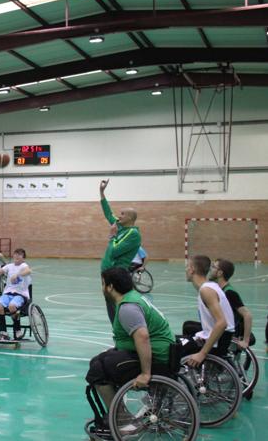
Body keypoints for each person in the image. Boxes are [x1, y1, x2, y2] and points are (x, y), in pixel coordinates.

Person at [85, 267, 175, 439]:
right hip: (162, 351)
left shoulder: (128, 307)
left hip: (158, 357)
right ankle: (119, 412)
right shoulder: (133, 297)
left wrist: (145, 373)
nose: (102, 288)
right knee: (100, 360)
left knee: (97, 371)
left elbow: (142, 337)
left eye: (103, 284)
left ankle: (124, 421)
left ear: (110, 287)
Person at [99, 179, 142, 323]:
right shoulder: (120, 226)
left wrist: (112, 236)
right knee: (110, 307)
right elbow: (108, 213)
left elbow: (114, 252)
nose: (119, 216)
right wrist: (102, 193)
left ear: (130, 218)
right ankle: (118, 335)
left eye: (122, 214)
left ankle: (122, 335)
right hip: (107, 274)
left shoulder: (133, 234)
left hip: (116, 275)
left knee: (116, 309)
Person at [181, 255, 235, 366]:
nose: (185, 270)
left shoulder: (206, 290)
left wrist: (202, 353)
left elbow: (222, 323)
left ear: (192, 269)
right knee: (182, 335)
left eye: (187, 267)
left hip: (219, 341)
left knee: (174, 348)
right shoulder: (210, 286)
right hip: (217, 337)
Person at [0, 248, 31, 340]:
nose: (17, 255)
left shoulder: (24, 266)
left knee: (12, 306)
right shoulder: (9, 266)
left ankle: (17, 330)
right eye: (15, 254)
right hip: (8, 293)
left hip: (20, 295)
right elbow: (0, 271)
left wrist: (17, 275)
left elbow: (28, 271)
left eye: (19, 254)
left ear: (23, 258)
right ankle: (3, 332)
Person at [211, 258, 253, 350]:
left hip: (226, 331)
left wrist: (246, 340)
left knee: (188, 327)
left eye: (213, 267)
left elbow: (247, 315)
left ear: (220, 273)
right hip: (220, 328)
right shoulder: (218, 289)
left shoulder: (229, 292)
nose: (211, 269)